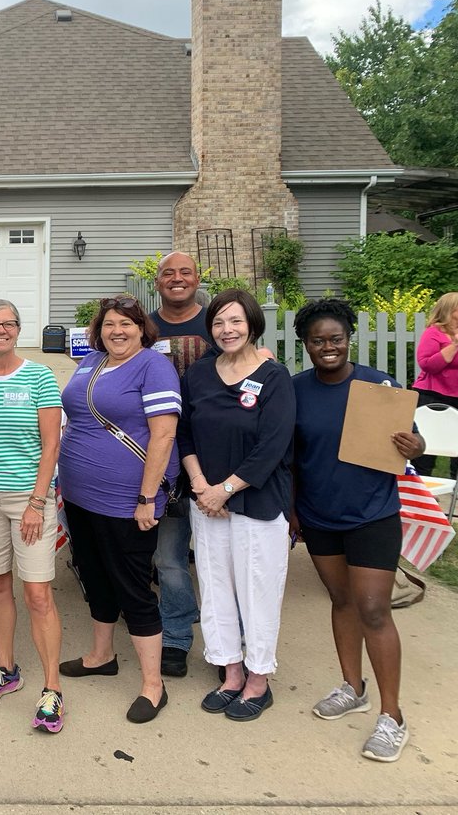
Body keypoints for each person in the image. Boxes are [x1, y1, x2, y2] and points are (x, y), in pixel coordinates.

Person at [292, 298, 423, 762]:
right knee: (342, 601)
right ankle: (353, 686)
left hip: (372, 513)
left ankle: (392, 716)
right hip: (319, 514)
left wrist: (416, 444)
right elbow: (291, 457)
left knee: (373, 609)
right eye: (317, 340)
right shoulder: (296, 390)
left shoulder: (379, 387)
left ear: (349, 338)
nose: (328, 347)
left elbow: (414, 444)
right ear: (304, 344)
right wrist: (293, 513)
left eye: (336, 338)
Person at [57, 295, 181, 724]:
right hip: (79, 495)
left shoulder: (154, 366)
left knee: (133, 588)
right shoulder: (90, 362)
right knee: (94, 577)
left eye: (127, 324)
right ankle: (101, 655)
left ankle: (153, 685)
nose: (117, 331)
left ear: (141, 328)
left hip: (126, 500)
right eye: (110, 324)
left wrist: (148, 498)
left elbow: (163, 437)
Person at [179, 288, 294, 722]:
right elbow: (185, 433)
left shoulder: (273, 376)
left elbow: (272, 445)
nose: (227, 330)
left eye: (236, 321)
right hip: (206, 502)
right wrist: (200, 485)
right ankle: (229, 671)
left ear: (252, 326)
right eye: (219, 322)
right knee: (215, 588)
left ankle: (258, 678)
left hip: (257, 503)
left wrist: (224, 489)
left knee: (258, 591)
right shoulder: (200, 374)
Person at [0, 300, 65, 732]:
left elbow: (51, 445)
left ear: (19, 330)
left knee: (38, 593)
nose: (0, 330)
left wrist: (38, 503)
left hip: (29, 498)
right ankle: (7, 669)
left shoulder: (39, 376)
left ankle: (53, 687)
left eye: (8, 324)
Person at [147, 252, 213, 679]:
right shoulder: (146, 327)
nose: (177, 279)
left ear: (197, 279)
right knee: (170, 559)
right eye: (168, 273)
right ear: (157, 282)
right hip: (162, 454)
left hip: (213, 452)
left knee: (218, 559)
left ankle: (234, 642)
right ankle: (175, 637)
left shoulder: (217, 322)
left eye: (184, 272)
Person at [412, 291, 458, 491]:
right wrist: (454, 346)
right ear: (451, 309)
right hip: (436, 393)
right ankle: (421, 485)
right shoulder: (433, 333)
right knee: (430, 438)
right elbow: (427, 364)